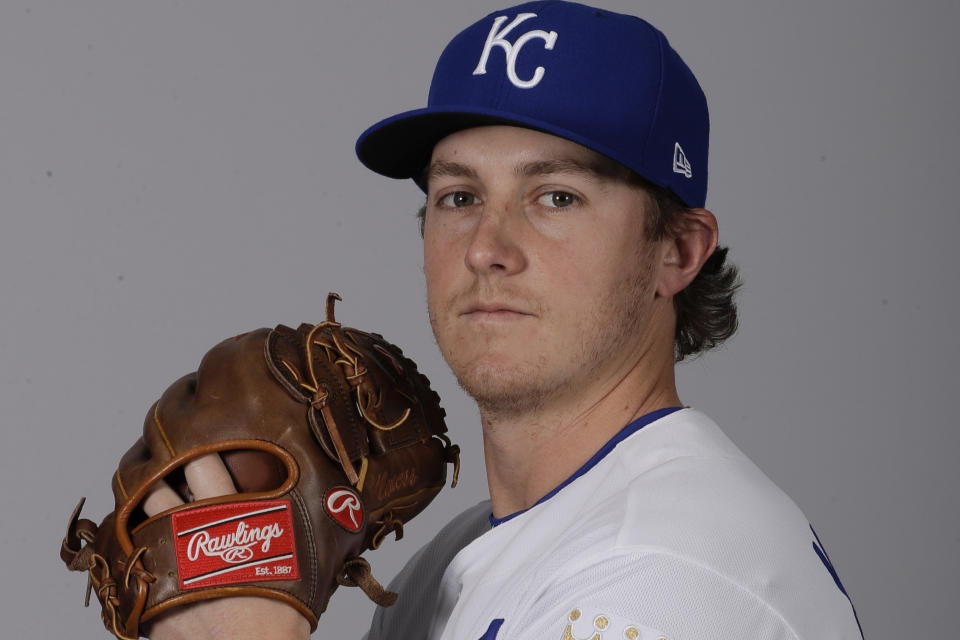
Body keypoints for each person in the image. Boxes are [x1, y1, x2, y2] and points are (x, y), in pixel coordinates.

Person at [144, 2, 863, 638]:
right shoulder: (453, 562)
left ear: (677, 251)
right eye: (459, 196)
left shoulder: (666, 579)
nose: (488, 248)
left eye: (555, 197)